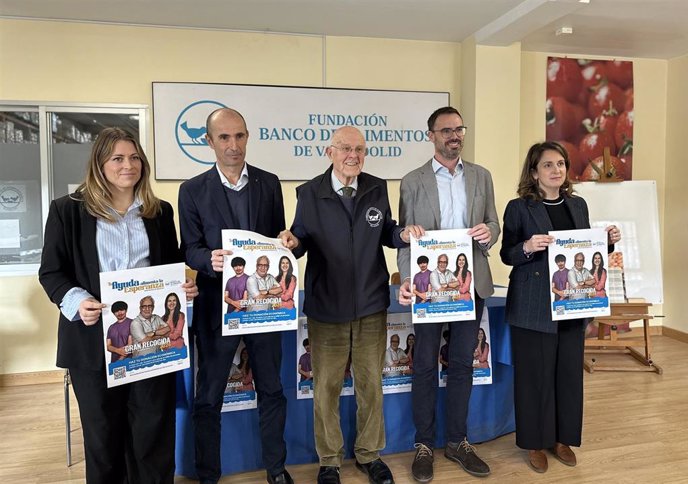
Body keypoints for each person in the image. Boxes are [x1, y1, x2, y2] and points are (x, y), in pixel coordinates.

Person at [38, 127, 197, 483]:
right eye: (118, 158)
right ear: (100, 164)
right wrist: (78, 301)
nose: (129, 165)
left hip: (150, 344)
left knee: (152, 432)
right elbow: (51, 272)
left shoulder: (158, 212)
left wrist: (180, 287)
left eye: (135, 157)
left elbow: (168, 264)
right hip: (93, 343)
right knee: (103, 435)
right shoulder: (68, 211)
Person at [280, 125, 423, 484]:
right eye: (345, 148)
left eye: (359, 149)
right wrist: (290, 241)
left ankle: (369, 454)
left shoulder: (377, 186)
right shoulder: (310, 193)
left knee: (370, 385)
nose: (353, 156)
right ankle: (329, 460)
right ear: (329, 152)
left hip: (372, 304)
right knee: (325, 388)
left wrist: (401, 234)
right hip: (327, 307)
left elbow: (386, 230)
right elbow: (301, 240)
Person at [178, 107, 292, 484]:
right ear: (208, 141)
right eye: (224, 138)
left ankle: (276, 470)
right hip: (216, 307)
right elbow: (188, 247)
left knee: (272, 390)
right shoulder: (192, 190)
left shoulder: (269, 183)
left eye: (239, 136)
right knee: (209, 397)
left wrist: (287, 242)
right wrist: (206, 260)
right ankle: (208, 476)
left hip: (265, 308)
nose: (233, 145)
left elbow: (277, 238)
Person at [500, 141, 621, 473]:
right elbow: (506, 254)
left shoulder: (577, 205)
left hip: (572, 303)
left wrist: (607, 240)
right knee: (534, 377)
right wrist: (526, 246)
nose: (556, 170)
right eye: (548, 165)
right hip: (533, 305)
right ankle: (534, 442)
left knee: (568, 374)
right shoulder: (519, 207)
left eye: (561, 164)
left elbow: (586, 250)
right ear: (534, 172)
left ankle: (562, 438)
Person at [397, 106, 500, 481]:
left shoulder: (481, 176)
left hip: (469, 286)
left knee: (462, 364)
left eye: (459, 129)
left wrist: (490, 232)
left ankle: (457, 441)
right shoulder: (412, 181)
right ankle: (424, 444)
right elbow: (406, 240)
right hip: (429, 291)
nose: (454, 135)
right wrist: (408, 278)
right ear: (431, 135)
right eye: (446, 130)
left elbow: (493, 221)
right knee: (424, 365)